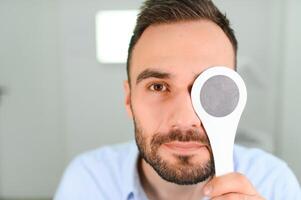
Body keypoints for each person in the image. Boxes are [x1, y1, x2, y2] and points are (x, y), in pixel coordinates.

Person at [54, 0, 301, 199]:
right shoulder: (87, 182)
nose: (184, 118)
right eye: (158, 86)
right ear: (129, 99)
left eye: (209, 88)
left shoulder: (274, 183)